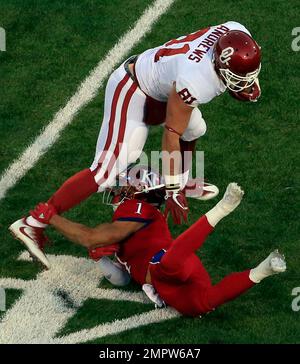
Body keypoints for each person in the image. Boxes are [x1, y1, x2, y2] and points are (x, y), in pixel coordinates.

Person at [10, 21, 262, 269]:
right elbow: (171, 134)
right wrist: (171, 190)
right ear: (219, 64)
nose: (246, 81)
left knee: (196, 128)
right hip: (134, 89)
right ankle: (33, 222)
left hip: (164, 87)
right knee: (106, 172)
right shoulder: (198, 80)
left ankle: (181, 182)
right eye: (239, 77)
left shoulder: (235, 32)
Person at [21, 170, 286, 317]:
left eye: (126, 187)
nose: (119, 191)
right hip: (163, 285)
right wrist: (100, 259)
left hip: (170, 267)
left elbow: (92, 237)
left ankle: (222, 209)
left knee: (169, 263)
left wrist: (51, 216)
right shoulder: (133, 215)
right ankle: (264, 270)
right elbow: (122, 279)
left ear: (139, 193)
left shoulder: (137, 208)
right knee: (201, 306)